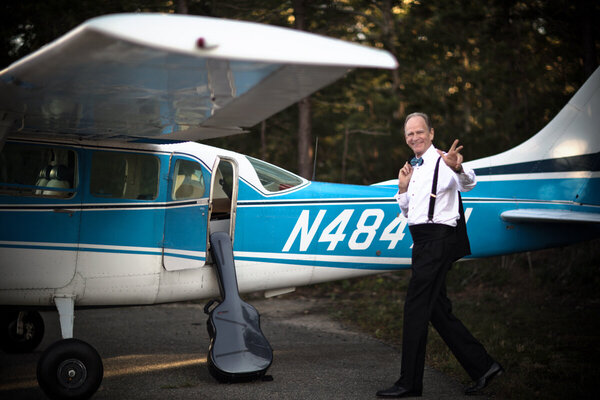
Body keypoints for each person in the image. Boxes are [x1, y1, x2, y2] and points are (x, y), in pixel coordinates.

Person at [376, 112, 503, 398]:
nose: (414, 137)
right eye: (409, 134)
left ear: (431, 133)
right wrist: (402, 189)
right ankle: (483, 367)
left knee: (415, 309)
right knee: (436, 310)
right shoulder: (414, 168)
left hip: (438, 241)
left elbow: (469, 183)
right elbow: (409, 212)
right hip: (421, 242)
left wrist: (458, 168)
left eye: (419, 132)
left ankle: (409, 383)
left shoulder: (444, 160)